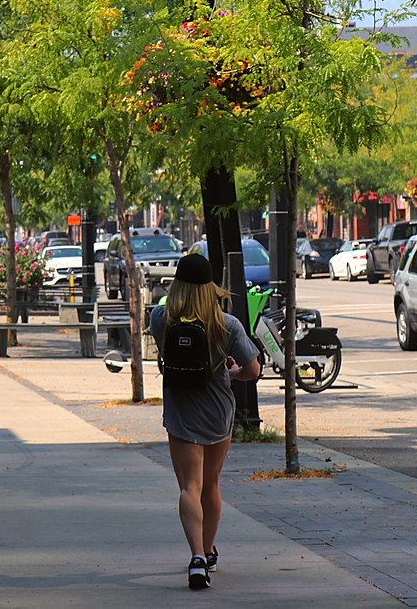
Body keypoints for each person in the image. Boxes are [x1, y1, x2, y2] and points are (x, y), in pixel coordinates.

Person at [148, 253, 260, 591]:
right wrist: (232, 371)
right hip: (217, 413)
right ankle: (209, 550)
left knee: (188, 488)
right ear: (211, 287)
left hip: (181, 412)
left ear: (177, 285)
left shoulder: (160, 318)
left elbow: (166, 355)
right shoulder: (227, 325)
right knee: (210, 485)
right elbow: (253, 370)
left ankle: (196, 558)